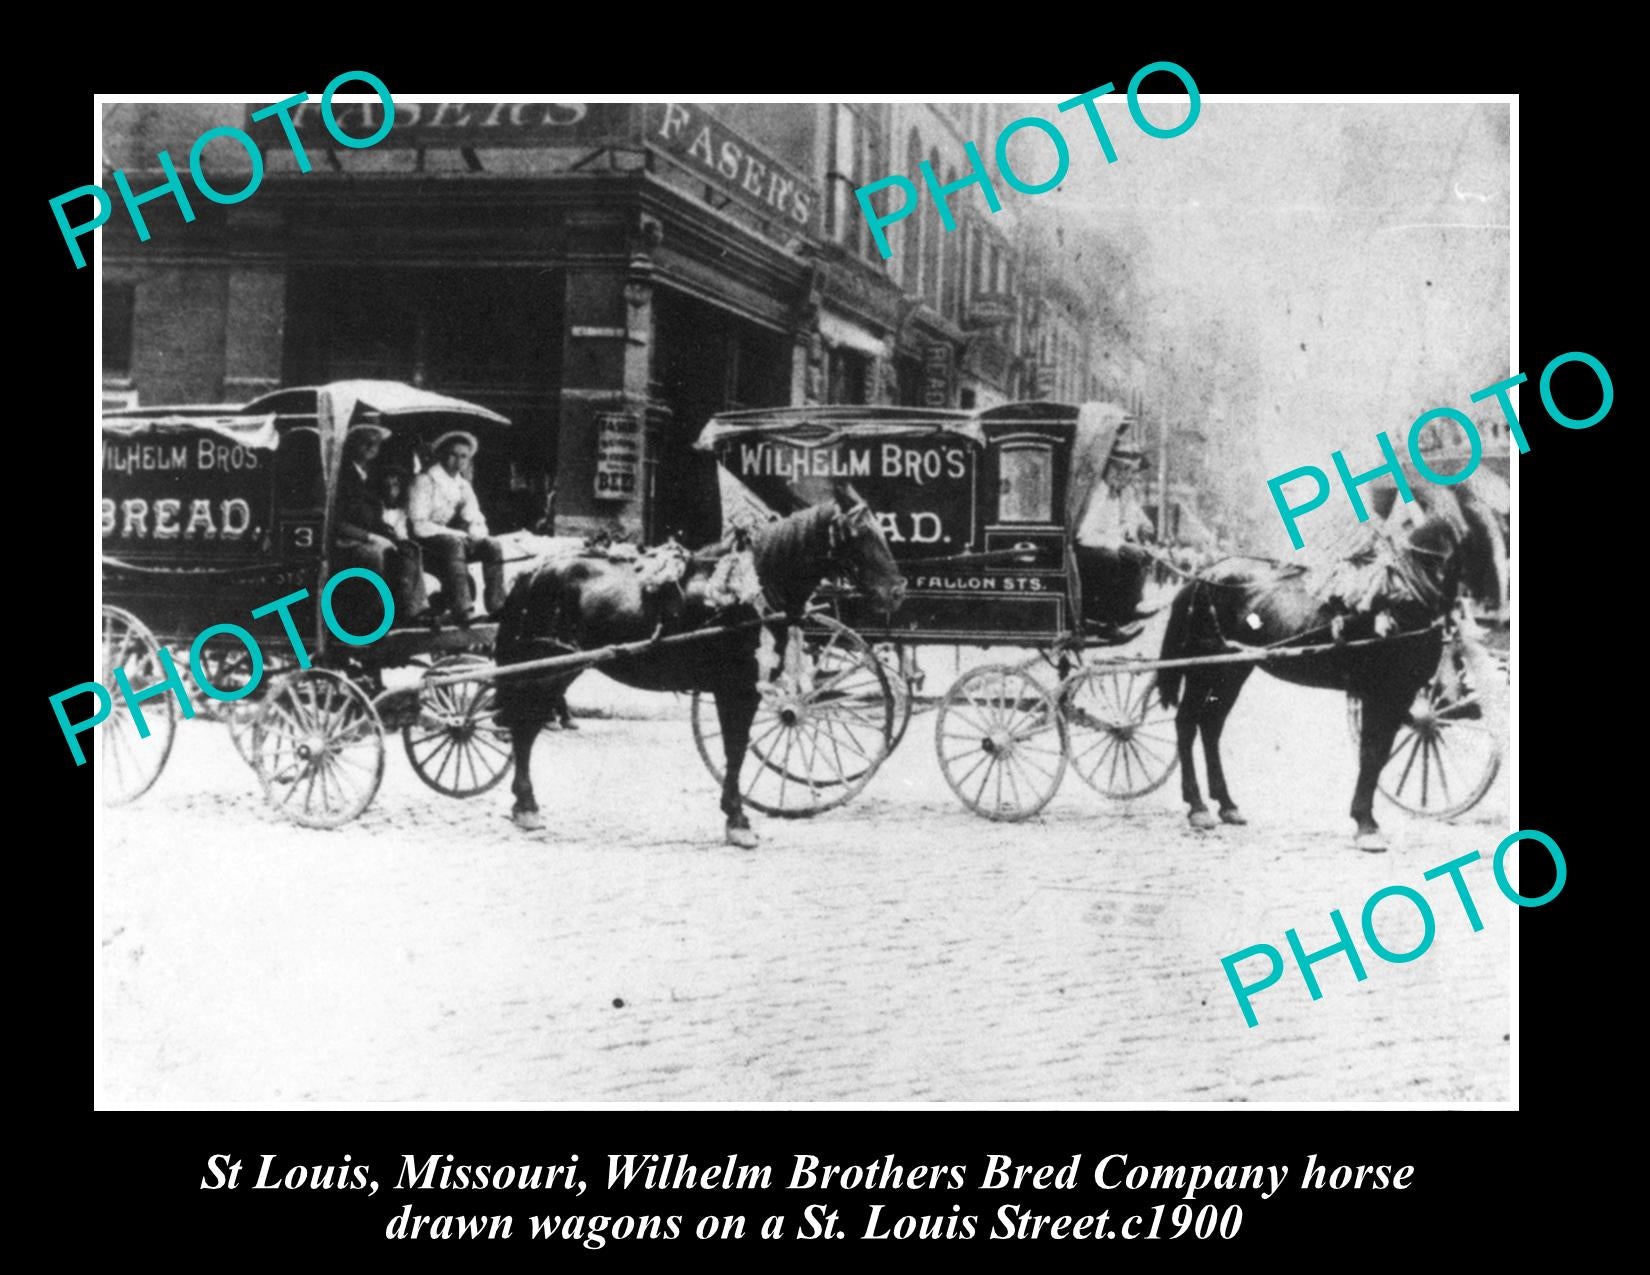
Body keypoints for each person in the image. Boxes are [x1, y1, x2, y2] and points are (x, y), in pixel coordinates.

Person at [333, 425, 432, 625]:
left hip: (366, 536)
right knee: (374, 554)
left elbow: (374, 517)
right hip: (343, 540)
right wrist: (371, 537)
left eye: (376, 443)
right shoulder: (340, 474)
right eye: (365, 441)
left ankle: (412, 611)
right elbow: (336, 521)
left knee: (408, 548)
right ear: (353, 442)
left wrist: (392, 536)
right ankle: (374, 617)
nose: (371, 447)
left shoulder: (369, 475)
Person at [408, 430, 506, 623]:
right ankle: (463, 609)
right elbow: (418, 524)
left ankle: (497, 606)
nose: (458, 461)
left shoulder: (462, 485)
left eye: (464, 456)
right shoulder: (426, 480)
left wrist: (476, 534)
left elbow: (474, 516)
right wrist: (456, 533)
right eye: (453, 454)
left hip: (449, 540)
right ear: (442, 454)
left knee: (492, 545)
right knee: (454, 543)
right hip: (423, 541)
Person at [1073, 447, 1156, 629]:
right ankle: (1104, 622)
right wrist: (1120, 546)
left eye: (1129, 471)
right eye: (1123, 471)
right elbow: (1083, 535)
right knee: (1112, 560)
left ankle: (1126, 612)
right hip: (1084, 550)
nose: (1127, 477)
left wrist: (1127, 544)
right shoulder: (1098, 494)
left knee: (1134, 559)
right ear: (1110, 470)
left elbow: (1114, 530)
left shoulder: (1115, 494)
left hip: (1101, 545)